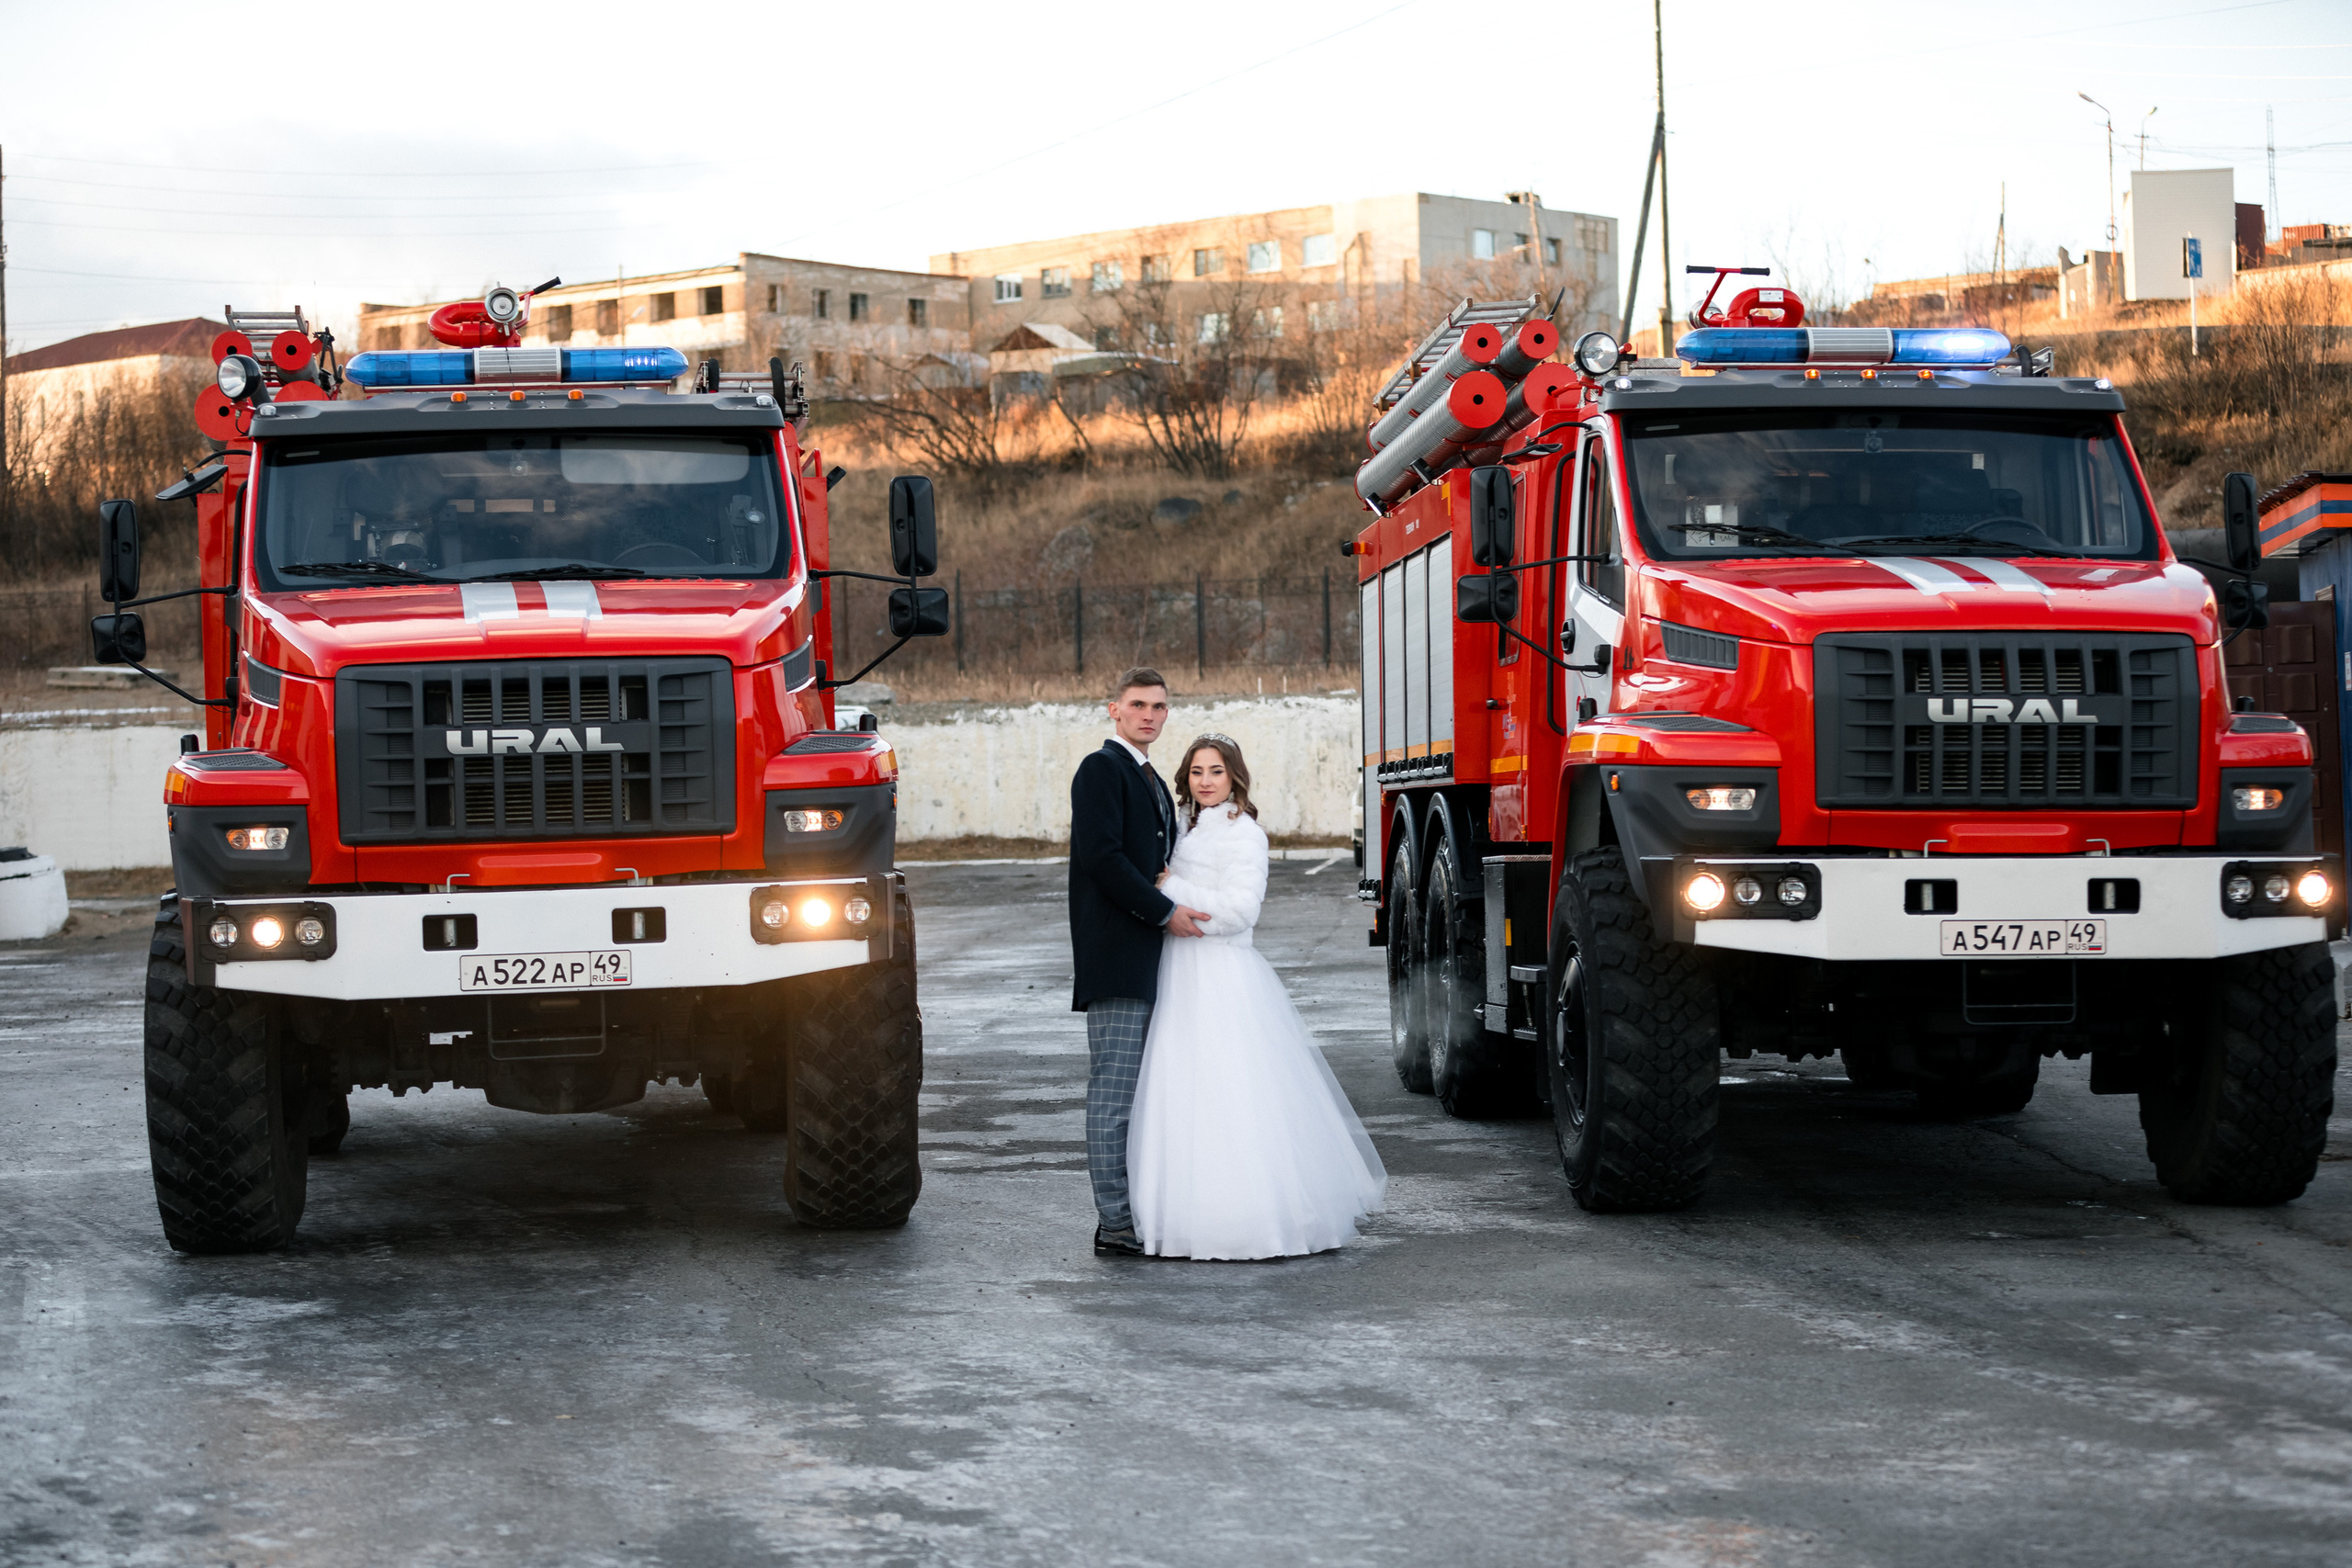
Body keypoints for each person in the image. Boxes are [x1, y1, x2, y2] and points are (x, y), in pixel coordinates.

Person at [1125, 734, 1387, 1260]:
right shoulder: (1185, 826)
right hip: (1180, 972)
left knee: (1231, 1093)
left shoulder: (1245, 834)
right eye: (1197, 772)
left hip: (1221, 977)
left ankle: (1246, 1219)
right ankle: (1182, 1218)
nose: (1205, 781)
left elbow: (1240, 912)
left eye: (1216, 771)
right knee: (1184, 1094)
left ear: (1234, 777)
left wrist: (1172, 889)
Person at [1069, 669, 1208, 1258]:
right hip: (1119, 958)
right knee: (1115, 1097)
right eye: (1138, 705)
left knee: (1151, 1098)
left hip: (1154, 962)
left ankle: (1144, 1213)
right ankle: (1116, 1225)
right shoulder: (1102, 769)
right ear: (1113, 710)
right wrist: (1162, 911)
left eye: (1159, 706)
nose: (1149, 714)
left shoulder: (1148, 775)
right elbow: (1101, 857)